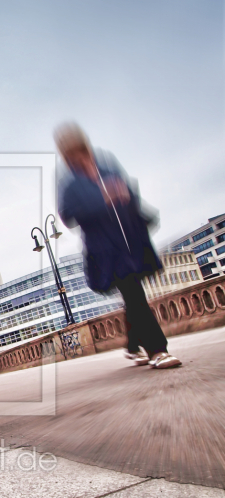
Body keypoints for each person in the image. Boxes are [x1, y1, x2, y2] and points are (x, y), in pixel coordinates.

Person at [55, 122, 181, 369]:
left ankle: (133, 345)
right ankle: (158, 350)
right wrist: (104, 198)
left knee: (133, 296)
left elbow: (128, 192)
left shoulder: (106, 166)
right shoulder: (70, 183)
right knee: (134, 293)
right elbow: (68, 216)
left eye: (81, 150)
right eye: (73, 154)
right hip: (106, 249)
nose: (80, 157)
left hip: (132, 241)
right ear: (67, 156)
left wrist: (127, 195)